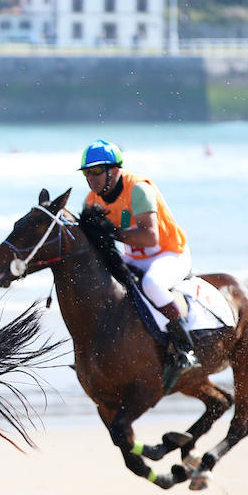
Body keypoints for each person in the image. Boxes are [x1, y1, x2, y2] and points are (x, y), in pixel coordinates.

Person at [78, 139, 200, 393]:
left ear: (115, 170)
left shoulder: (138, 189)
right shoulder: (93, 199)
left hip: (168, 254)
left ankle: (184, 345)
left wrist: (112, 232)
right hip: (135, 257)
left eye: (97, 171)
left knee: (152, 284)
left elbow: (150, 237)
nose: (91, 178)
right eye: (87, 173)